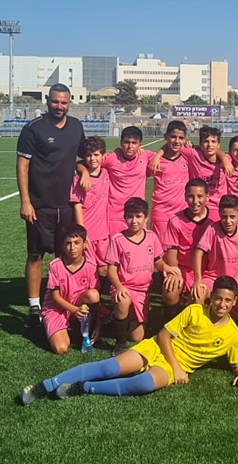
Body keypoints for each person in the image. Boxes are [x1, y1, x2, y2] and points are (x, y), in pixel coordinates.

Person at [20, 275, 238, 405]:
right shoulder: (195, 311)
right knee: (109, 367)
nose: (221, 304)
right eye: (217, 298)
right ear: (212, 298)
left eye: (227, 301)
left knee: (143, 385)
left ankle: (83, 388)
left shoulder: (232, 334)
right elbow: (163, 335)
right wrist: (178, 368)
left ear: (234, 302)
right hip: (157, 348)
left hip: (168, 368)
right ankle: (45, 385)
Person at [16, 83, 85, 328]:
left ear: (70, 103)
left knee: (64, 255)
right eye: (55, 101)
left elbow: (83, 157)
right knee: (35, 255)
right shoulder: (33, 128)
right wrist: (25, 201)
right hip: (39, 205)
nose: (59, 106)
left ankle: (62, 302)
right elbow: (22, 166)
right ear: (47, 100)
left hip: (66, 205)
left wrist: (84, 169)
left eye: (64, 102)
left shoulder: (76, 126)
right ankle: (34, 306)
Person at [104, 198, 179, 356]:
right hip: (124, 287)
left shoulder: (151, 237)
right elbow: (111, 270)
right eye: (130, 217)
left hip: (143, 291)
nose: (134, 221)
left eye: (138, 216)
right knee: (123, 300)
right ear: (124, 218)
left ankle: (116, 318)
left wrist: (165, 267)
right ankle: (120, 343)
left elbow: (158, 261)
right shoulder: (117, 239)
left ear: (146, 218)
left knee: (137, 337)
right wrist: (119, 287)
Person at [79, 126, 154, 236]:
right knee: (116, 245)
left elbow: (168, 153)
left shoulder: (145, 156)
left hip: (137, 214)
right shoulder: (112, 158)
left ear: (140, 145)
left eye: (134, 143)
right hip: (115, 216)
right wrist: (84, 172)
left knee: (138, 245)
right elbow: (83, 162)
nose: (130, 146)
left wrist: (158, 156)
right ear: (121, 143)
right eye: (126, 142)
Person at [41, 224, 100, 354]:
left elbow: (96, 300)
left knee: (94, 295)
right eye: (68, 243)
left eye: (77, 243)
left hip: (77, 304)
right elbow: (55, 297)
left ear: (85, 244)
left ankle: (86, 328)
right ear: (63, 245)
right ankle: (52, 324)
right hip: (57, 308)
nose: (72, 248)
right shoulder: (55, 265)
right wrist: (75, 310)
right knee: (61, 348)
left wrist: (98, 327)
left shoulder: (91, 266)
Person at [161, 179, 215, 320]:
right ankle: (170, 321)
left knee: (199, 295)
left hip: (208, 272)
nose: (195, 201)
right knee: (170, 290)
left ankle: (197, 322)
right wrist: (175, 273)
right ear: (185, 197)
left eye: (200, 196)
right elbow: (171, 253)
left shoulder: (216, 218)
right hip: (184, 270)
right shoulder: (175, 220)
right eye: (191, 196)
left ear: (207, 197)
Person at [191, 194, 238, 304]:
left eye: (232, 217)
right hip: (213, 278)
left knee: (225, 311)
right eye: (224, 217)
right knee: (198, 295)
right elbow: (198, 253)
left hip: (233, 282)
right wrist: (198, 280)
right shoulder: (212, 229)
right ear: (219, 214)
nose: (228, 221)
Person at [70, 137, 111, 283]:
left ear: (103, 156)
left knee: (104, 268)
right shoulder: (79, 180)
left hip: (103, 233)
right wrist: (82, 232)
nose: (92, 158)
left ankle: (99, 294)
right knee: (89, 270)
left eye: (96, 155)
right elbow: (77, 205)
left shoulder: (107, 173)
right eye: (88, 155)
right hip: (88, 233)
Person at [148, 120, 190, 238]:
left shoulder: (188, 157)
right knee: (160, 249)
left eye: (181, 138)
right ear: (165, 137)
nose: (177, 141)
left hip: (183, 214)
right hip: (161, 215)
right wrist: (158, 155)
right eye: (173, 137)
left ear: (185, 139)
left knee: (182, 248)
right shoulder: (154, 160)